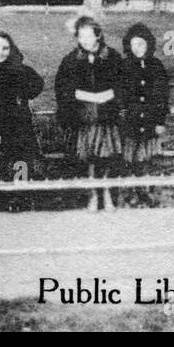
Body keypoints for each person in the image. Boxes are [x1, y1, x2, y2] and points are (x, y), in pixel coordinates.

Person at [56, 16, 124, 211]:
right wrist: (85, 96)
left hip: (106, 116)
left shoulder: (112, 56)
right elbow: (63, 88)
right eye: (81, 36)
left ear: (98, 35)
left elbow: (122, 83)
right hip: (84, 117)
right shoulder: (71, 60)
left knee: (107, 156)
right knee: (90, 159)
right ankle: (93, 194)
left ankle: (107, 193)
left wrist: (108, 95)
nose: (85, 40)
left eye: (89, 36)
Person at [0, 31, 44, 188]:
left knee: (20, 158)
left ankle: (20, 192)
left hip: (17, 121)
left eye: (5, 48)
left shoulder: (20, 70)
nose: (1, 52)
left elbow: (38, 84)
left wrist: (23, 96)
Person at [118, 23, 170, 207]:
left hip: (149, 120)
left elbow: (162, 96)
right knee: (128, 159)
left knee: (144, 159)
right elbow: (119, 94)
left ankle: (144, 192)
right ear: (128, 46)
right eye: (134, 45)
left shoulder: (156, 66)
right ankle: (129, 193)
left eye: (141, 44)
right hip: (130, 121)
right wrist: (122, 114)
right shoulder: (124, 67)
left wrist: (159, 120)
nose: (138, 48)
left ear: (148, 44)